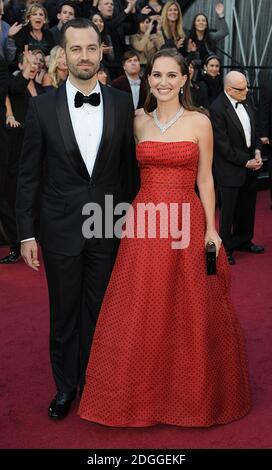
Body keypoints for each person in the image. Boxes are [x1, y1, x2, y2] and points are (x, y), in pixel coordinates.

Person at [79, 49, 251, 427]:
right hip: (145, 222)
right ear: (148, 77)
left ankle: (189, 394)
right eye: (156, 75)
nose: (163, 82)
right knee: (143, 304)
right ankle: (138, 394)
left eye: (171, 75)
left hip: (186, 221)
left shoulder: (199, 122)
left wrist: (211, 228)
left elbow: (206, 178)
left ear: (185, 79)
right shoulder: (137, 121)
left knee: (188, 304)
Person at [16, 18, 139, 420]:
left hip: (107, 224)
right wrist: (26, 234)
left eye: (91, 48)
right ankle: (66, 387)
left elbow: (128, 173)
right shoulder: (41, 106)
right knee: (64, 313)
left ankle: (96, 382)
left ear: (101, 49)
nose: (84, 56)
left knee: (102, 310)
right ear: (63, 55)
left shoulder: (122, 103)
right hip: (59, 228)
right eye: (76, 49)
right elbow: (29, 175)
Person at [210, 71, 264, 265]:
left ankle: (243, 239)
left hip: (250, 164)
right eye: (242, 88)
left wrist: (257, 151)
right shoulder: (217, 108)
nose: (247, 91)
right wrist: (245, 161)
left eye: (247, 86)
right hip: (230, 167)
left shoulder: (247, 100)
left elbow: (255, 130)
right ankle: (227, 248)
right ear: (229, 89)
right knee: (228, 211)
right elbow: (222, 145)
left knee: (247, 207)